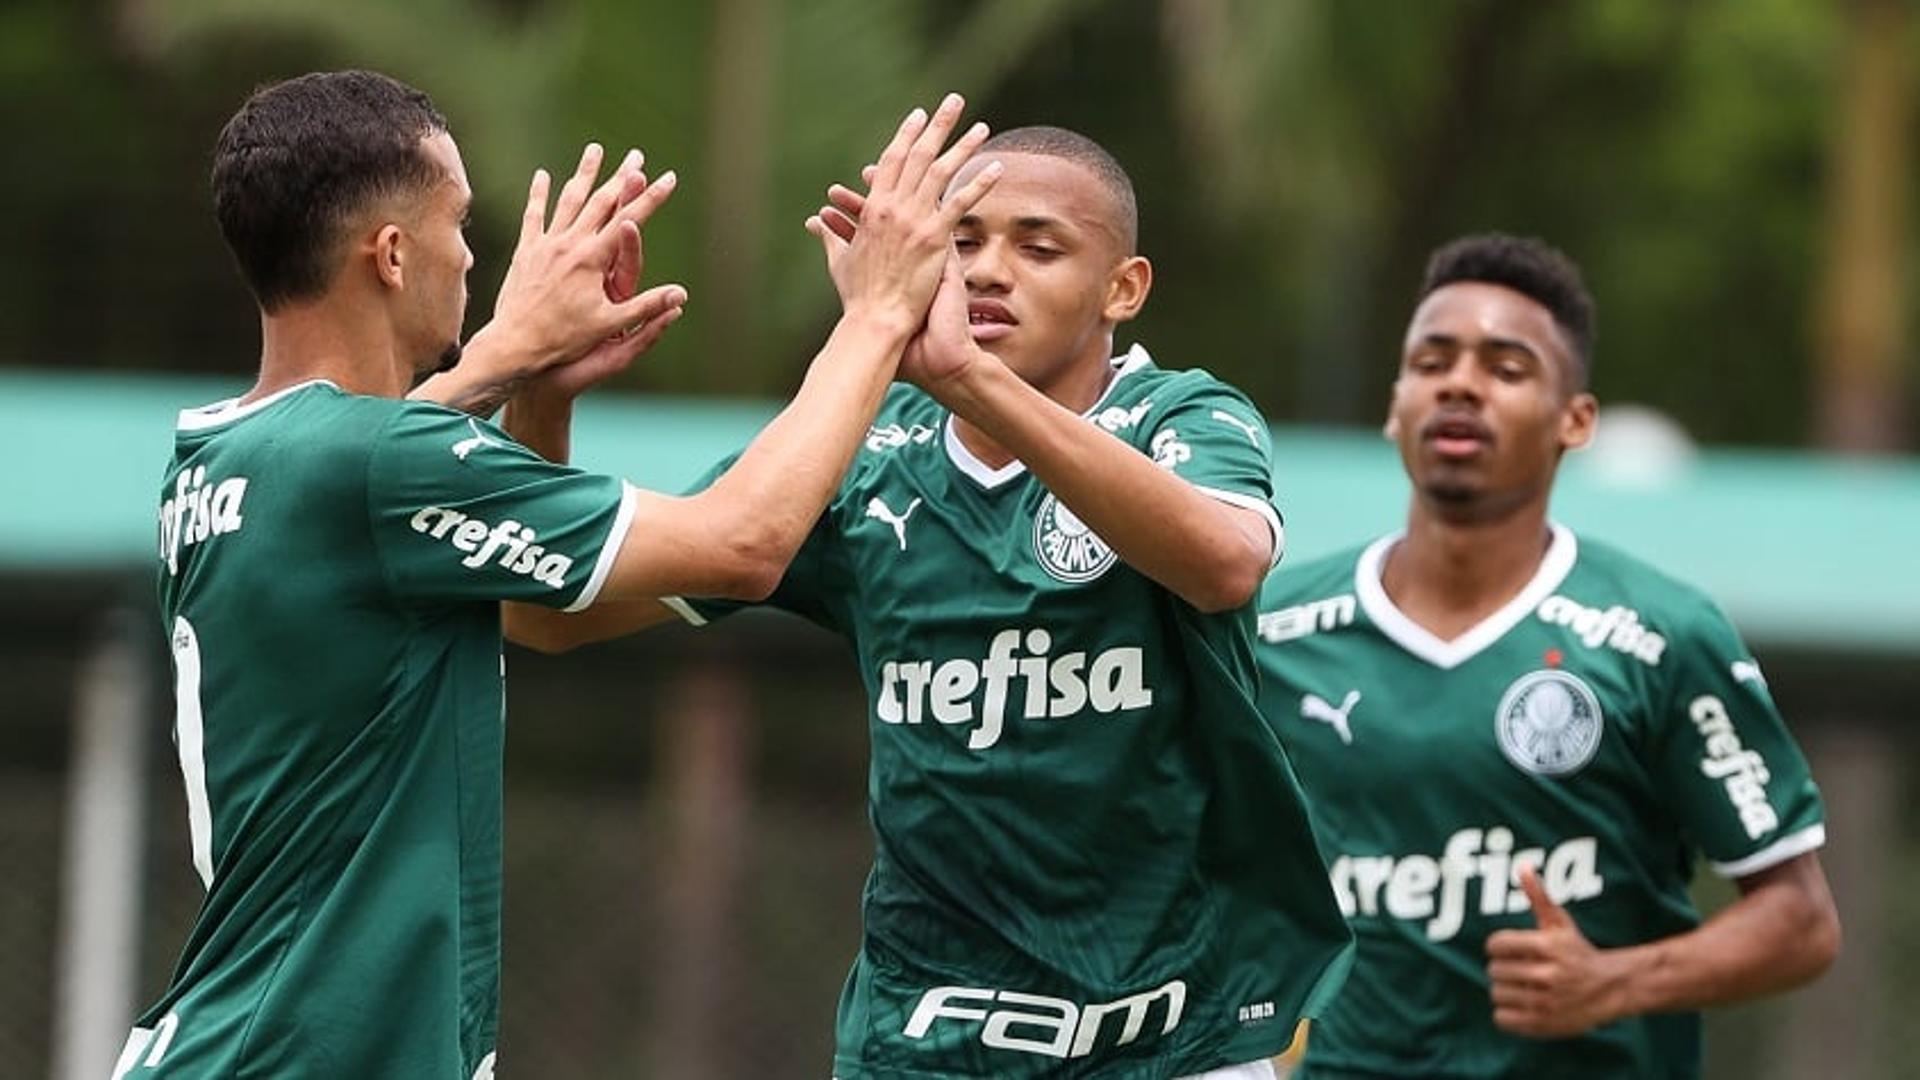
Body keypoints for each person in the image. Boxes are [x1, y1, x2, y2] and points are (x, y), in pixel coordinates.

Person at [118, 70, 995, 1079]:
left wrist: (520, 371)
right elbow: (746, 544)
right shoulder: (371, 463)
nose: (474, 253)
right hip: (309, 1053)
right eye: (460, 222)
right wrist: (878, 318)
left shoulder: (226, 458)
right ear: (392, 255)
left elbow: (510, 597)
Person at [504, 126, 1353, 1079]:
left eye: (1037, 246)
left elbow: (1225, 564)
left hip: (1168, 1039)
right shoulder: (858, 454)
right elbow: (545, 616)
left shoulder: (1184, 416)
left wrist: (969, 379)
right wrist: (543, 397)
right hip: (923, 1041)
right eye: (960, 240)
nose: (989, 271)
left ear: (1124, 287)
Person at [1254, 233, 1840, 1078]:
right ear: (1395, 404)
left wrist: (1613, 982)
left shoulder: (1659, 634)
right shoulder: (1277, 625)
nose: (1460, 383)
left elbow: (1801, 922)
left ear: (1576, 420)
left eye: (1506, 367)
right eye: (1432, 361)